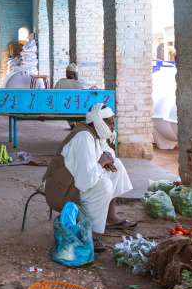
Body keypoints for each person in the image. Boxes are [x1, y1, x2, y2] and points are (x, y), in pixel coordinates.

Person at [43, 103, 136, 250]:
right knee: (104, 185)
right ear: (99, 122)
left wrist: (107, 160)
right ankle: (87, 232)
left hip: (74, 182)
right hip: (59, 191)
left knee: (116, 165)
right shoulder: (83, 137)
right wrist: (102, 162)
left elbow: (107, 152)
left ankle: (110, 217)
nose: (112, 128)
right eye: (110, 123)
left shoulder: (96, 134)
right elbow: (86, 181)